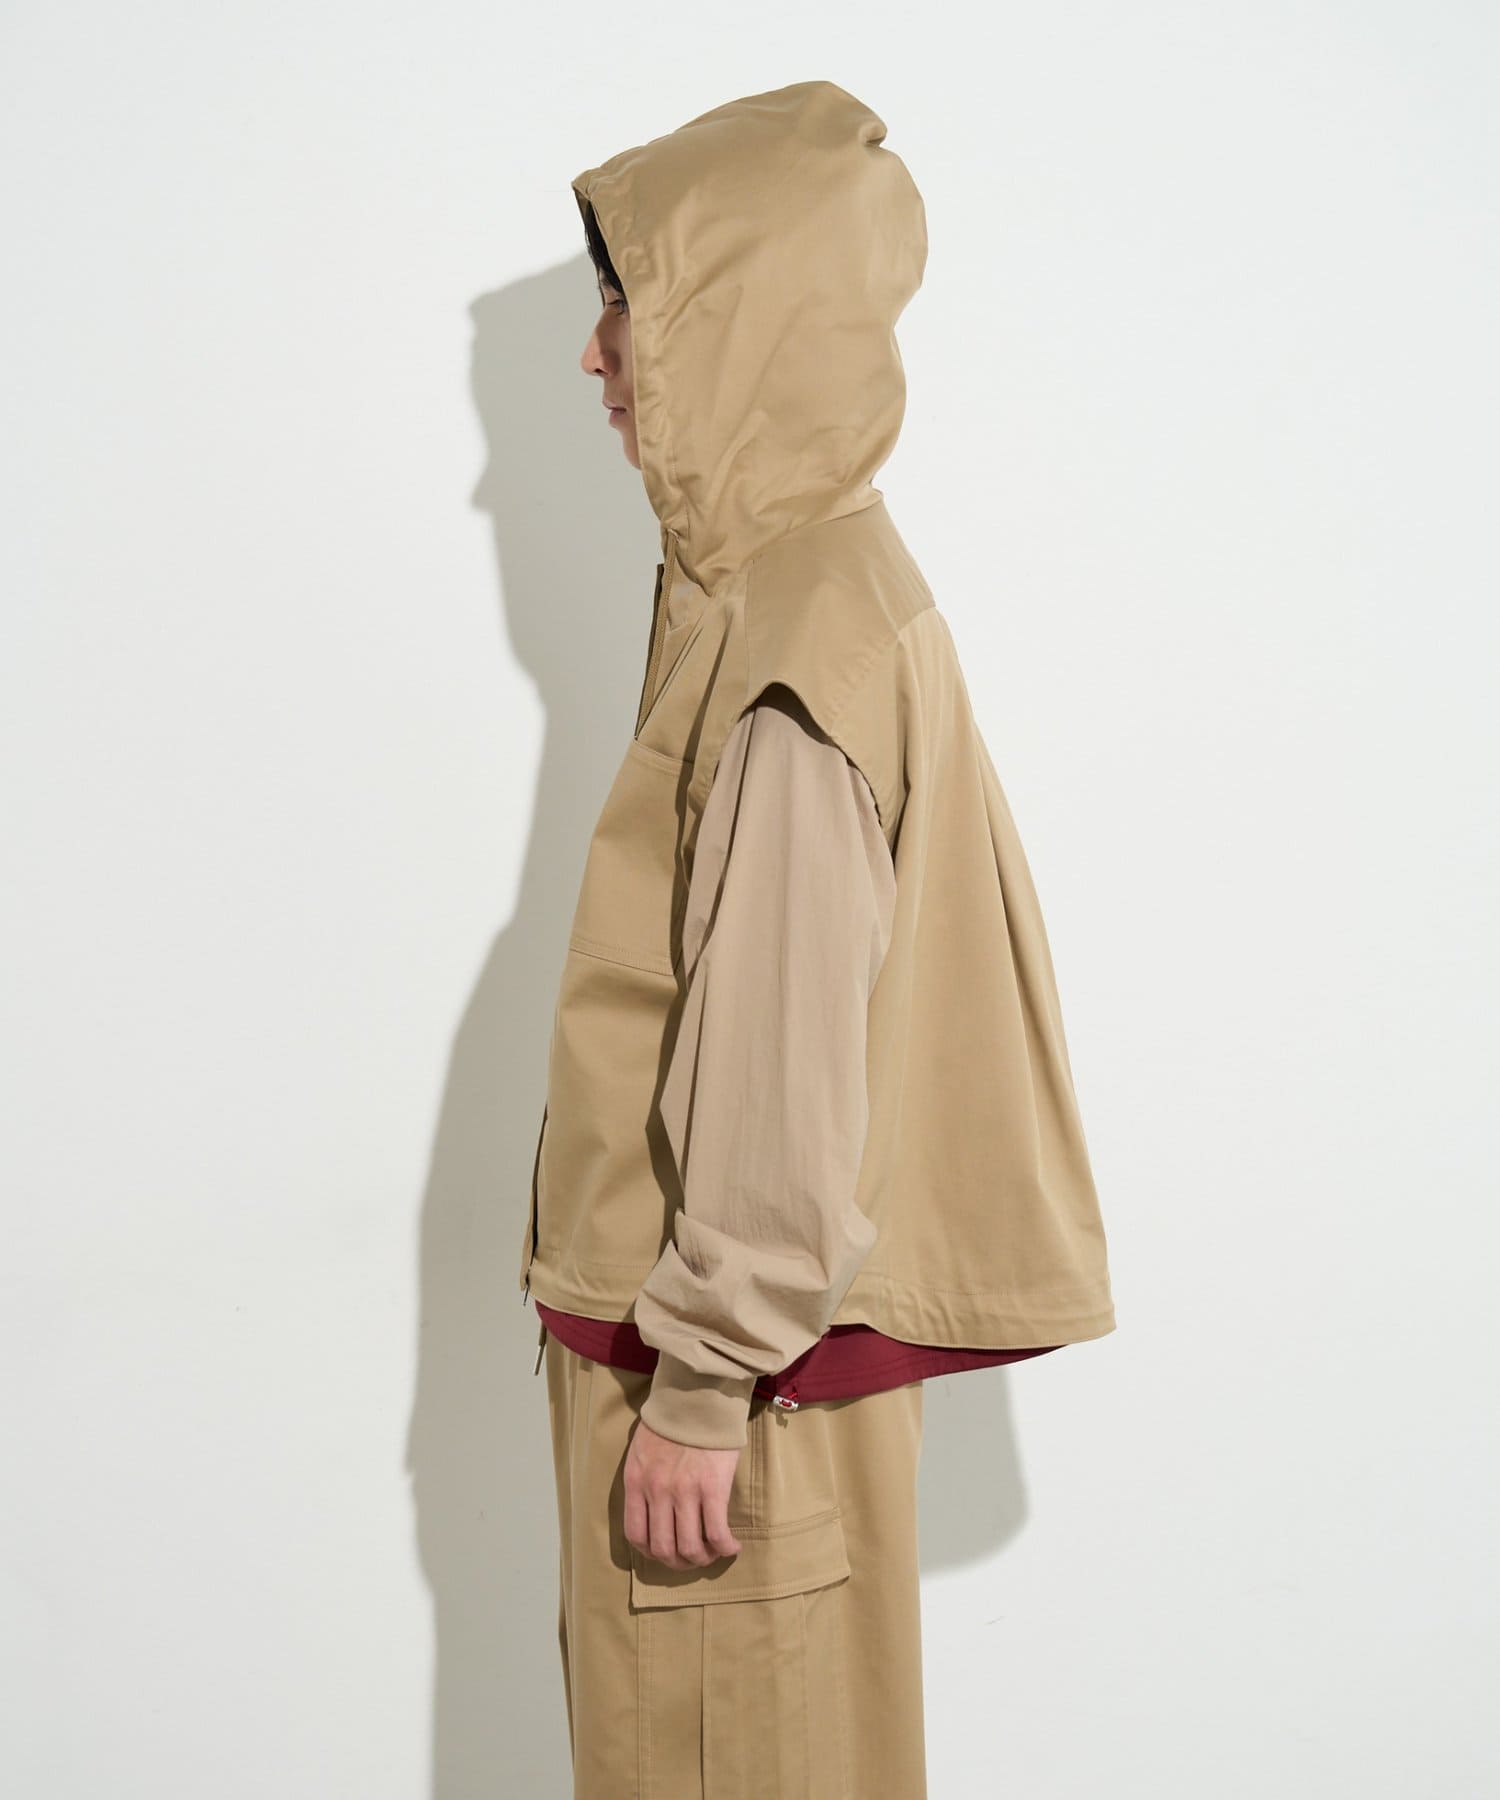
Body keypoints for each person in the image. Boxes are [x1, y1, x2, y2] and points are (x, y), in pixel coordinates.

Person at [518, 79, 1117, 1799]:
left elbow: (781, 1051)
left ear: (737, 322)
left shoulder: (797, 647)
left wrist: (703, 1384)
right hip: (742, 1382)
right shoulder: (796, 590)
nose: (594, 353)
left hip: (727, 1398)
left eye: (630, 303)